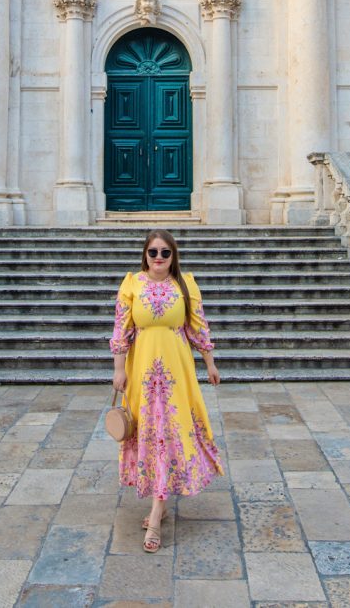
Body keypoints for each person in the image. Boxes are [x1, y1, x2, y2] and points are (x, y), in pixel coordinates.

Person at [110, 229, 223, 553]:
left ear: (174, 256)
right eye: (153, 252)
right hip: (142, 370)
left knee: (171, 431)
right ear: (144, 255)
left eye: (165, 253)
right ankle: (159, 499)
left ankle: (157, 512)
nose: (158, 258)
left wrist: (210, 363)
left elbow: (198, 327)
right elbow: (122, 329)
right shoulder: (131, 284)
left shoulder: (185, 284)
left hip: (177, 371)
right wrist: (119, 369)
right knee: (150, 432)